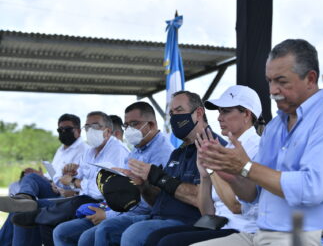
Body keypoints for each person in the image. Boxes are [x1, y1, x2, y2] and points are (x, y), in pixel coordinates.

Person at [192, 39, 323, 246]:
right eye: (270, 81)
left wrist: (245, 167)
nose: (273, 90)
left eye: (281, 81)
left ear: (310, 79)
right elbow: (252, 195)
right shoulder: (274, 129)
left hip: (315, 237)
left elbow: (311, 189)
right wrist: (231, 174)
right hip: (264, 235)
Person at [90, 91, 226, 246]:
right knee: (105, 230)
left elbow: (201, 198)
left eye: (179, 110)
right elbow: (158, 201)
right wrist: (142, 185)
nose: (174, 117)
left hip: (187, 221)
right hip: (157, 216)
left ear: (199, 113)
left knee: (132, 235)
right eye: (171, 113)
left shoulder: (215, 147)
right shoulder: (177, 153)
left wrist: (157, 176)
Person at [145, 85, 265, 246]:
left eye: (226, 111)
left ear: (247, 114)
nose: (219, 118)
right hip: (218, 225)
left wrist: (213, 168)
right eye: (219, 111)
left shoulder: (258, 149)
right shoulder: (225, 149)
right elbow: (207, 213)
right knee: (154, 238)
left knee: (168, 243)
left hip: (242, 230)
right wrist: (205, 174)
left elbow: (237, 207)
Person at [52, 102, 174, 246]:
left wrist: (108, 214)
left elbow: (147, 202)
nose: (129, 129)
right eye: (126, 125)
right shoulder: (137, 149)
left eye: (134, 124)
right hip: (115, 206)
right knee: (61, 231)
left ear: (152, 125)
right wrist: (72, 178)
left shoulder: (162, 153)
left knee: (99, 232)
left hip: (143, 212)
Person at [11, 111, 129, 246]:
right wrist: (70, 175)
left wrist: (75, 182)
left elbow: (106, 189)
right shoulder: (90, 152)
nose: (90, 131)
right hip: (80, 198)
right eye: (88, 127)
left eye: (95, 126)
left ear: (108, 131)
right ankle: (30, 206)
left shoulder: (117, 151)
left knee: (71, 206)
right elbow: (70, 180)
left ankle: (37, 214)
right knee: (32, 212)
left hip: (105, 204)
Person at [0, 113, 89, 246]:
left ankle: (23, 199)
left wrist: (60, 184)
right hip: (53, 186)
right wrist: (42, 175)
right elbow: (53, 173)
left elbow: (78, 181)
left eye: (67, 129)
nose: (63, 132)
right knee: (29, 180)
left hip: (66, 193)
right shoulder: (61, 149)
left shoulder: (84, 150)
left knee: (23, 208)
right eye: (60, 130)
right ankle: (24, 198)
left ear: (78, 130)